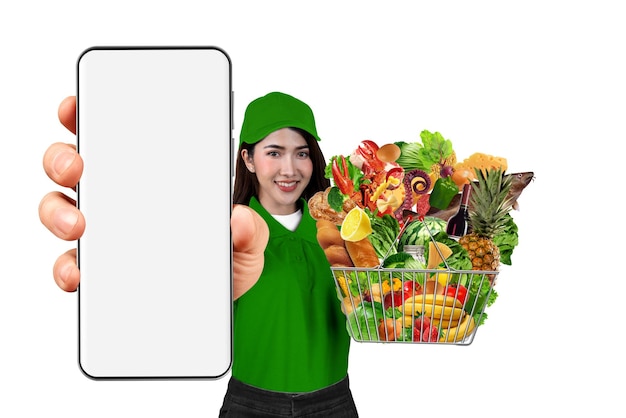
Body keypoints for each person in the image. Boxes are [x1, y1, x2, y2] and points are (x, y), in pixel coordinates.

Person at [39, 92, 358, 417]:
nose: (289, 169)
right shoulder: (218, 232)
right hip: (249, 405)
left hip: (333, 404)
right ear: (248, 159)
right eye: (273, 152)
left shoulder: (345, 229)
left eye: (301, 153)